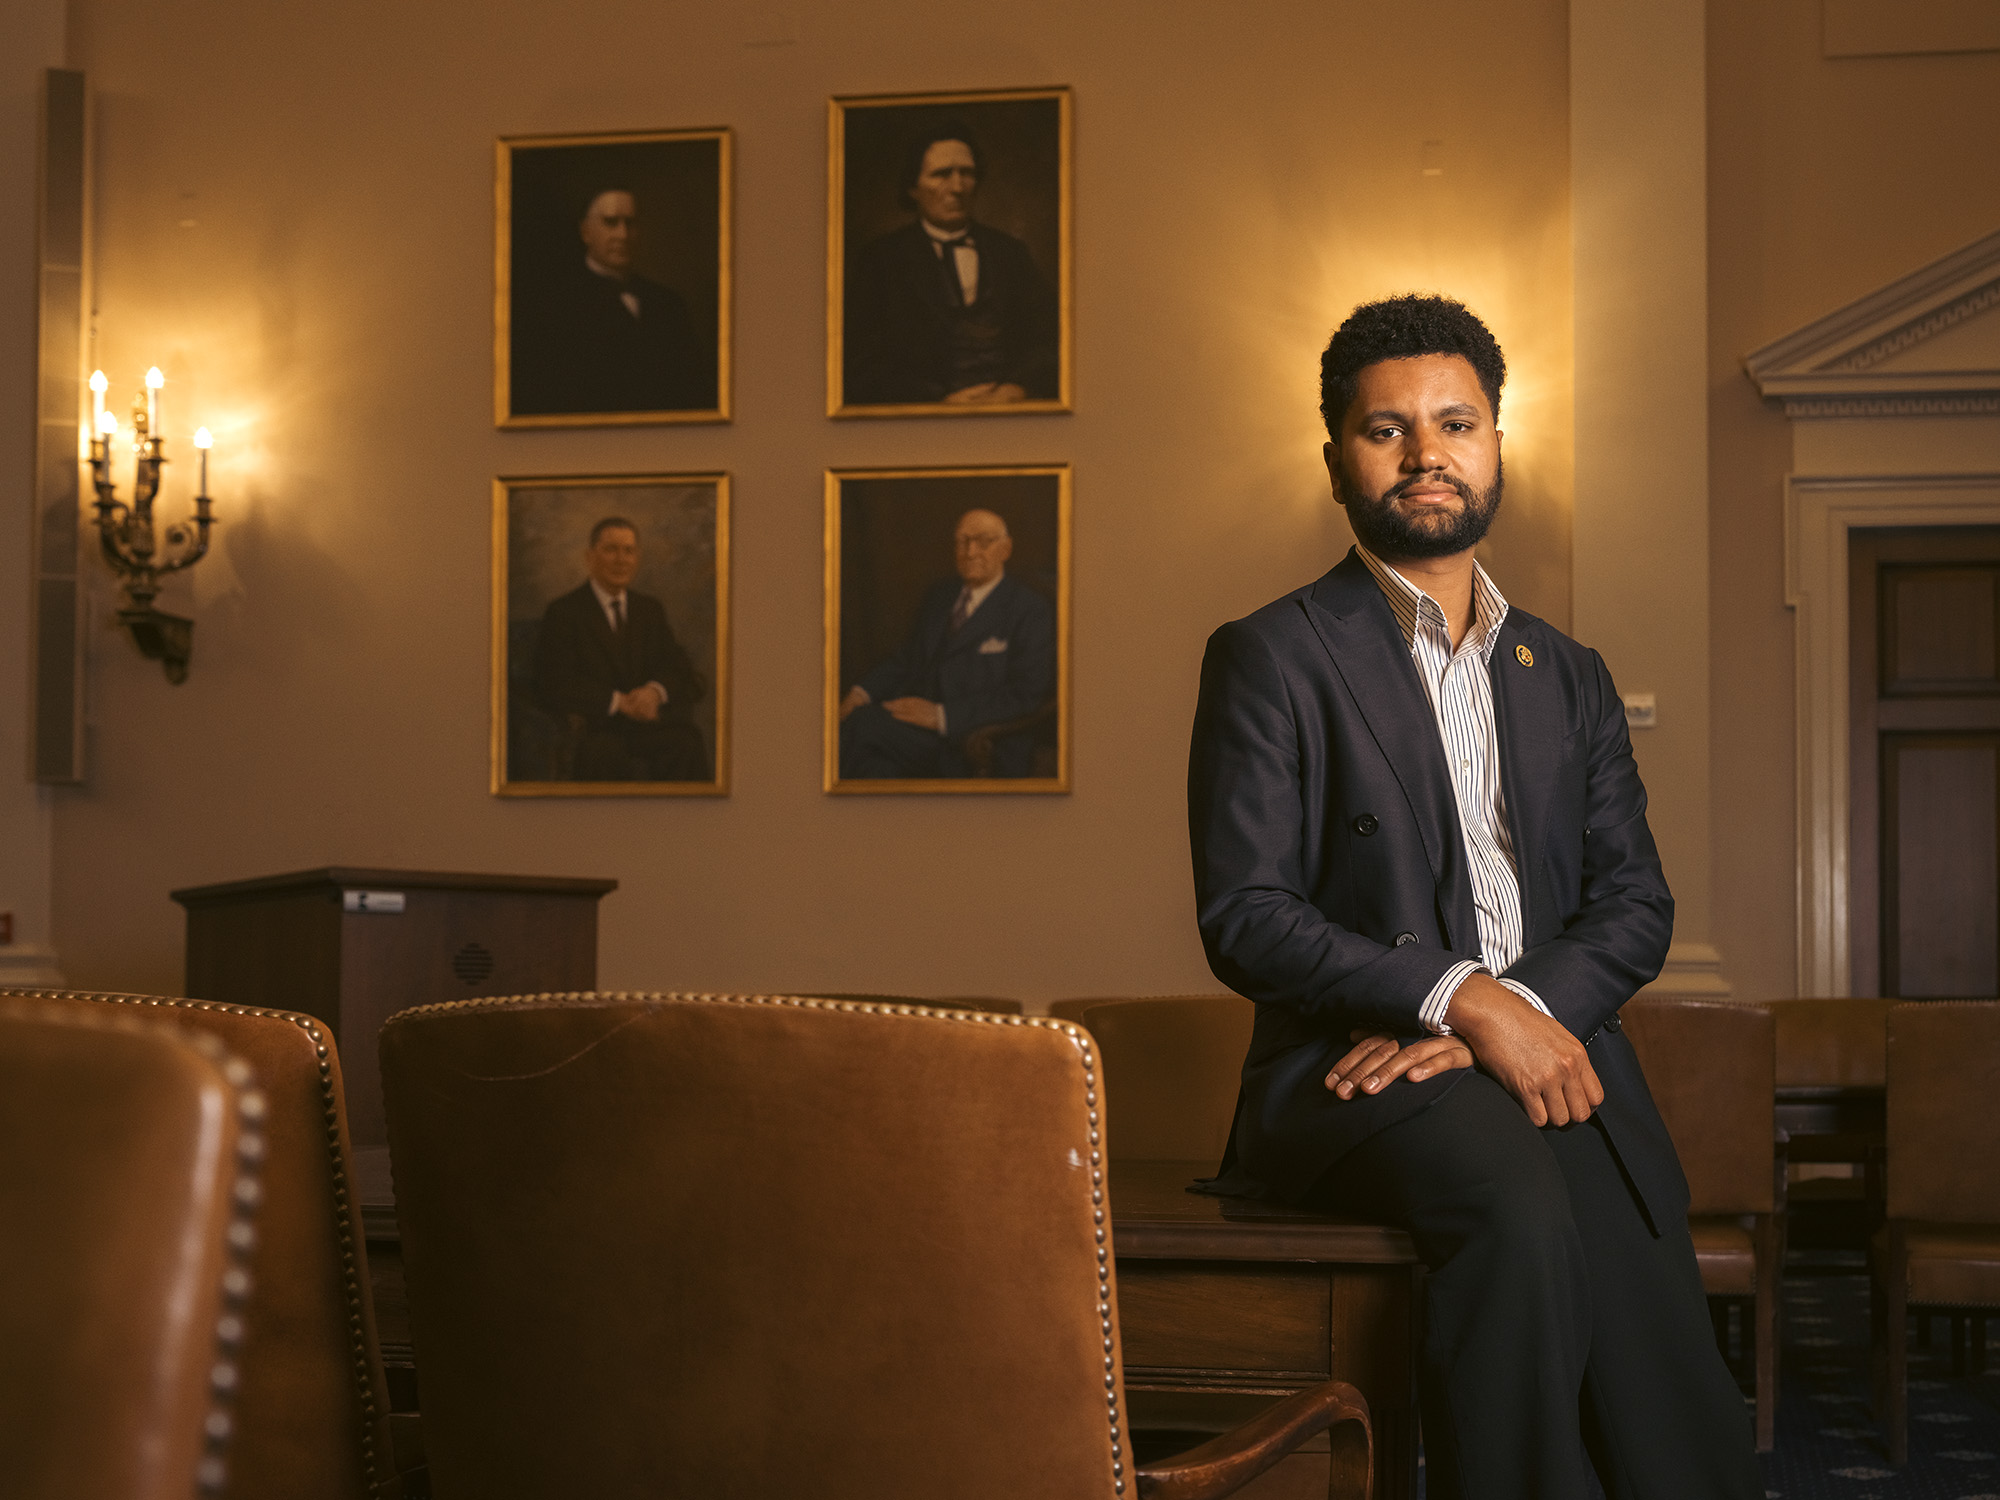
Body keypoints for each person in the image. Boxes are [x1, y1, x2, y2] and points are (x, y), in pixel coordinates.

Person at [1186, 295, 1759, 1499]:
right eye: (1383, 429)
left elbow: (1632, 905)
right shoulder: (1271, 654)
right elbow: (1246, 914)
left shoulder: (1570, 674)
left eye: (1453, 422)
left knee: (1662, 1349)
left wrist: (1502, 1019)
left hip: (1542, 1052)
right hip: (1347, 1073)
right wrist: (1453, 1001)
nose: (1423, 452)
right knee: (1513, 1202)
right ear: (1336, 456)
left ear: (1496, 442)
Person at [843, 123, 1059, 407]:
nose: (957, 187)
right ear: (913, 187)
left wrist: (1017, 388)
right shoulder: (880, 260)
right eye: (941, 174)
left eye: (967, 173)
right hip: (919, 423)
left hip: (1009, 413)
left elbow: (1051, 340)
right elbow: (859, 364)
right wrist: (938, 400)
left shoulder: (1011, 254)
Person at [839, 508, 1055, 778]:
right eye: (962, 541)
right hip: (917, 735)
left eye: (984, 541)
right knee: (872, 770)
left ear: (1006, 549)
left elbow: (1026, 694)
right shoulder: (940, 595)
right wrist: (862, 692)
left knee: (862, 726)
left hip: (976, 740)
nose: (971, 551)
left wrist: (941, 716)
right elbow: (907, 659)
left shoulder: (1029, 609)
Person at [533, 516, 709, 781]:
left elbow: (677, 664)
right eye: (611, 550)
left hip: (646, 725)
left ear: (637, 558)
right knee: (603, 754)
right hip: (595, 728)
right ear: (590, 557)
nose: (621, 560)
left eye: (629, 551)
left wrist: (654, 692)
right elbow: (555, 682)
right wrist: (619, 702)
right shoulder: (564, 612)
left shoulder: (649, 610)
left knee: (686, 741)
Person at [511, 187, 714, 416]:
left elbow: (694, 391)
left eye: (631, 223)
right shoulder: (555, 306)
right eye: (610, 222)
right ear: (586, 232)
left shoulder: (669, 305)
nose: (623, 234)